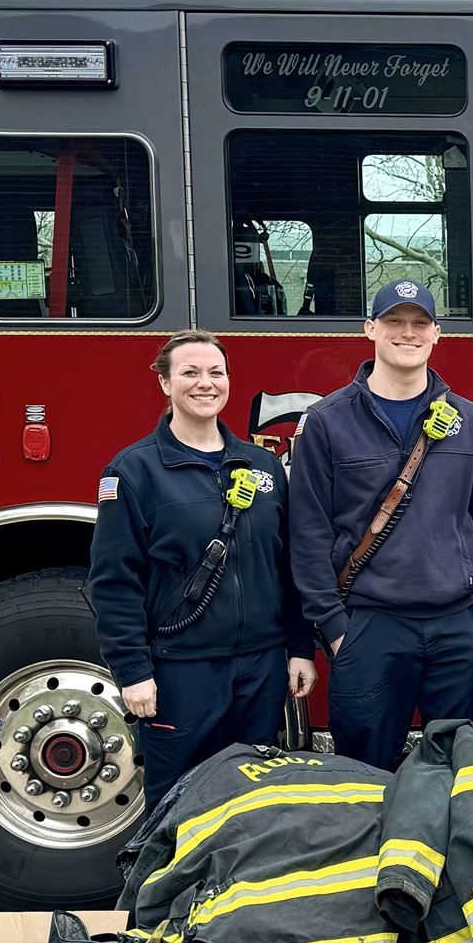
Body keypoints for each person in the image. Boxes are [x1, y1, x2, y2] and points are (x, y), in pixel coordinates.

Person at [287, 279, 473, 773]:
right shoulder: (327, 421)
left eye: (418, 324)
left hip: (459, 627)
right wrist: (336, 628)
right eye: (394, 322)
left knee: (462, 776)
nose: (406, 334)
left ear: (436, 335)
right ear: (371, 329)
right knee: (366, 777)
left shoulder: (471, 424)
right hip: (369, 627)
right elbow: (307, 533)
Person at [89, 331, 312, 809]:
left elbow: (287, 566)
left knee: (253, 807)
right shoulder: (132, 472)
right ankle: (162, 886)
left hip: (260, 671)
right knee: (175, 809)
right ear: (165, 384)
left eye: (216, 373)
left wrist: (299, 647)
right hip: (180, 673)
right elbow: (114, 582)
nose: (205, 384)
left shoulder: (263, 466)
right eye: (190, 373)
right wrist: (132, 671)